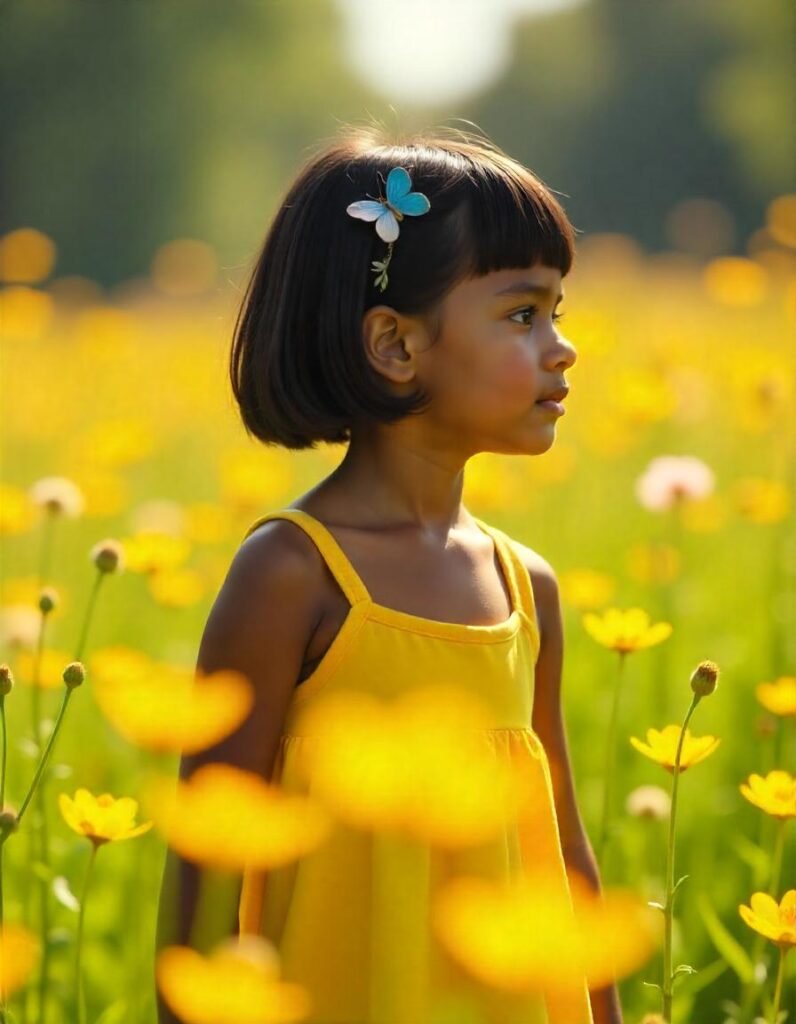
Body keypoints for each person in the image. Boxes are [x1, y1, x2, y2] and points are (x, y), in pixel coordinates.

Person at [156, 123, 623, 1024]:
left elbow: (564, 853)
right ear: (396, 345)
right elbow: (205, 867)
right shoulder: (292, 575)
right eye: (523, 314)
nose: (561, 348)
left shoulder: (529, 589)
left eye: (558, 312)